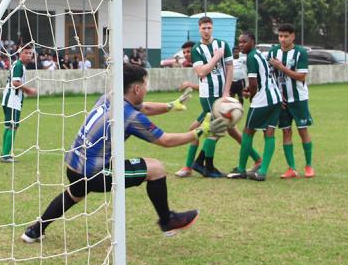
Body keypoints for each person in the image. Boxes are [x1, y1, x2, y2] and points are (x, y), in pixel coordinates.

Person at [21, 63, 226, 243]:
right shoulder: (129, 115)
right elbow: (165, 140)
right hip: (95, 174)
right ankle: (167, 220)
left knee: (74, 193)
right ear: (137, 88)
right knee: (156, 168)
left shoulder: (109, 97)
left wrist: (170, 106)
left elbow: (143, 106)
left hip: (73, 166)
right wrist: (201, 131)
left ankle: (34, 230)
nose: (146, 89)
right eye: (145, 85)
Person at [181, 16, 258, 178]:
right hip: (208, 94)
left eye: (209, 27)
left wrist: (226, 91)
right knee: (218, 129)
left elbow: (229, 68)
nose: (206, 31)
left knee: (208, 128)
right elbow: (201, 72)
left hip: (222, 94)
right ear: (199, 29)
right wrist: (216, 57)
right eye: (203, 28)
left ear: (212, 28)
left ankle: (192, 165)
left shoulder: (223, 44)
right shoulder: (196, 49)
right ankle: (204, 166)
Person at [229, 30, 283, 180]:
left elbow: (253, 83)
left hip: (263, 100)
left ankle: (241, 169)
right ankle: (262, 171)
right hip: (275, 98)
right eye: (239, 42)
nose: (241, 45)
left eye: (244, 42)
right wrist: (250, 89)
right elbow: (260, 79)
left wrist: (251, 95)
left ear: (252, 42)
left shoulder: (251, 57)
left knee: (247, 132)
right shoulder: (258, 54)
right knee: (269, 133)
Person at [267, 24, 315, 179]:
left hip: (299, 99)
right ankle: (291, 168)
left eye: (286, 36)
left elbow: (301, 76)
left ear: (293, 36)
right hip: (281, 100)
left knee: (302, 130)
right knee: (286, 131)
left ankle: (308, 166)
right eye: (280, 36)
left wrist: (281, 67)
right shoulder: (274, 52)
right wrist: (277, 96)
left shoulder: (300, 53)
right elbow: (271, 77)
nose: (282, 39)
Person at [0, 46, 38, 162]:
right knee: (13, 126)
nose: (29, 55)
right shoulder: (19, 65)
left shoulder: (18, 64)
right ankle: (5, 156)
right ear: (20, 54)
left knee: (8, 126)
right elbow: (15, 82)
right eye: (26, 53)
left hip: (9, 99)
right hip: (13, 100)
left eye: (31, 53)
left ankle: (4, 152)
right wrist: (28, 90)